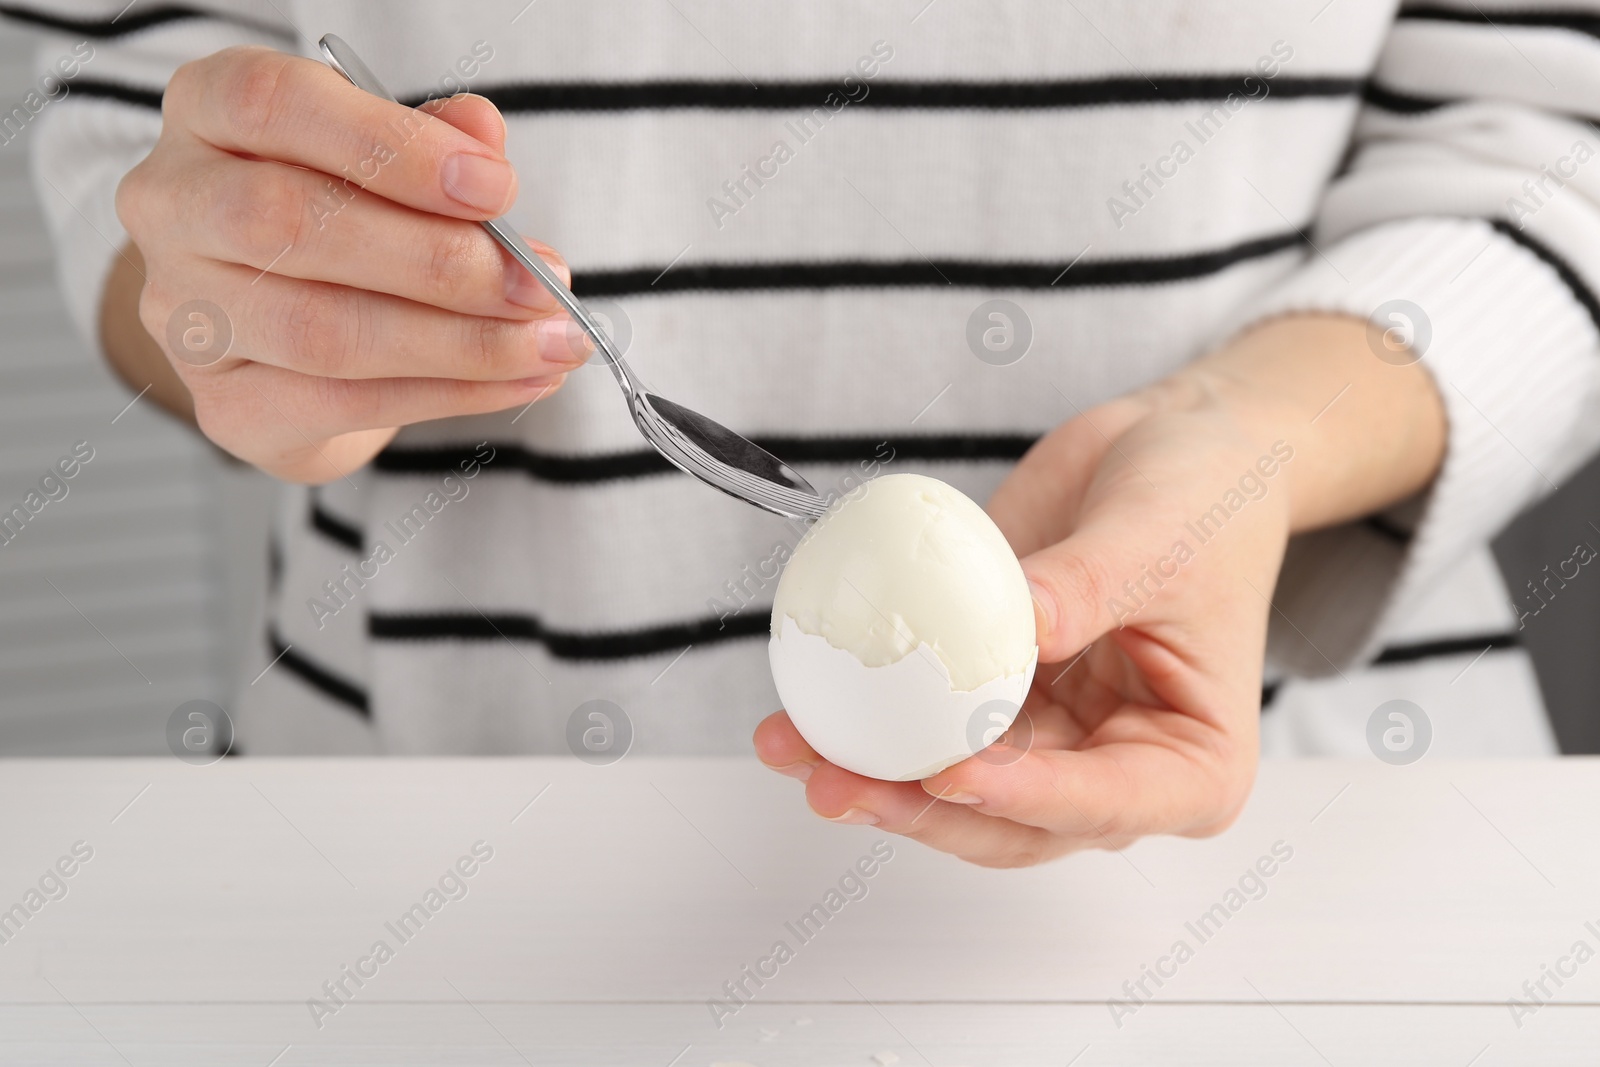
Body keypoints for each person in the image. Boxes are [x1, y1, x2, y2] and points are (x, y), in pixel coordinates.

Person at [11, 1, 1599, 867]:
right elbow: (125, 96)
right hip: (445, 869)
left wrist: (1237, 437)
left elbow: (1553, 133)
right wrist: (243, 300)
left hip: (1317, 862)